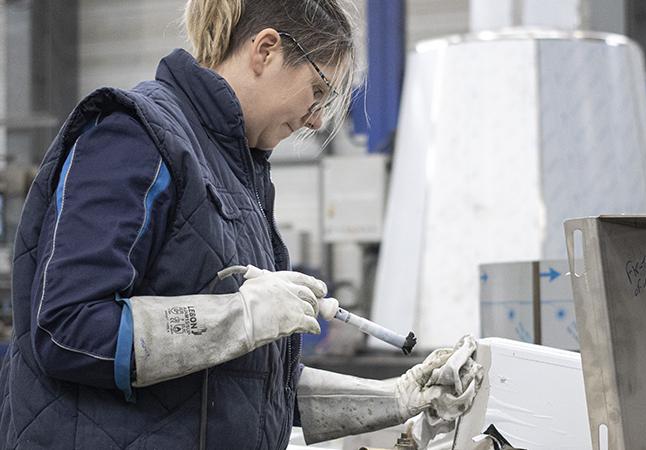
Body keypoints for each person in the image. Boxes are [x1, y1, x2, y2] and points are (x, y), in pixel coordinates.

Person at [0, 0, 482, 449]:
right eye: (318, 90)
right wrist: (241, 318)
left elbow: (246, 386)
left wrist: (396, 398)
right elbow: (66, 330)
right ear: (266, 50)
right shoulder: (134, 135)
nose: (316, 120)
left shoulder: (239, 174)